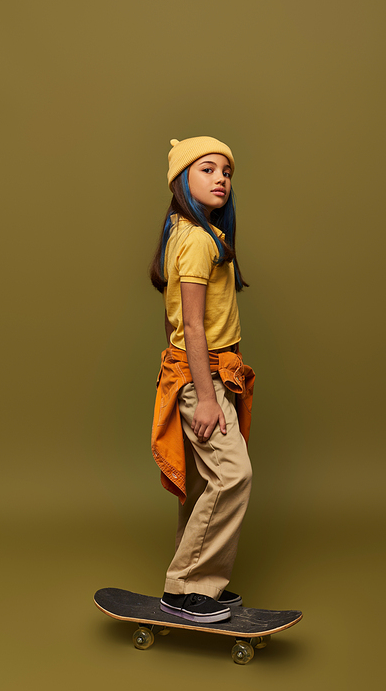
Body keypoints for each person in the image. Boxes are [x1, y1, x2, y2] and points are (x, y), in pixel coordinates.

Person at [149, 136, 255, 624]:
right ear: (181, 181)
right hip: (201, 378)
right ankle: (186, 587)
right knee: (233, 475)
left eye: (225, 172)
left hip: (206, 372)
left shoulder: (192, 232)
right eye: (207, 169)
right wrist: (206, 397)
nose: (220, 179)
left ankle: (198, 584)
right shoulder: (194, 238)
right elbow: (190, 325)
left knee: (202, 483)